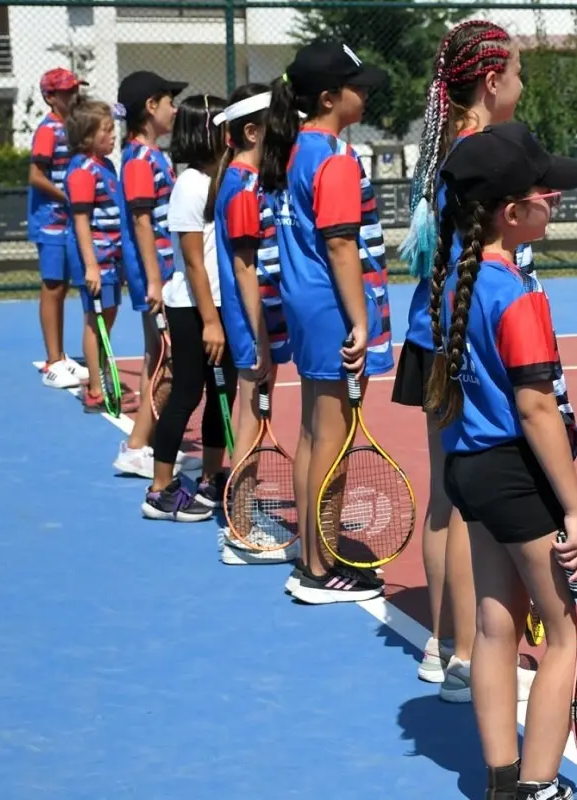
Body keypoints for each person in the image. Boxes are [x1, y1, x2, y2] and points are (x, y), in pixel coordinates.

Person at [427, 121, 577, 800]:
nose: (557, 198)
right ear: (512, 211)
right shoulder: (518, 295)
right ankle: (539, 784)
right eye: (546, 191)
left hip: (470, 469)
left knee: (494, 625)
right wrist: (575, 506)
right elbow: (536, 409)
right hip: (517, 477)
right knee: (564, 636)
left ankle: (500, 781)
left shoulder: (456, 285)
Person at [397, 19, 544, 703]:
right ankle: (465, 654)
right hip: (464, 339)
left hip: (433, 334)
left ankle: (443, 644)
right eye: (517, 68)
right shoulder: (479, 152)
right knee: (467, 501)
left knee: (445, 498)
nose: (523, 79)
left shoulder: (443, 145)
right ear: (492, 80)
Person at [259, 41, 394, 604]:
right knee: (331, 442)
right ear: (327, 97)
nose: (365, 93)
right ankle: (319, 567)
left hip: (304, 304)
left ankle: (316, 553)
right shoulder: (335, 158)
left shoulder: (293, 151)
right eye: (355, 85)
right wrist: (360, 323)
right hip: (330, 308)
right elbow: (341, 246)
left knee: (315, 434)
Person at [208, 82, 300, 565]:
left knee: (254, 416)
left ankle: (244, 517)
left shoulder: (247, 182)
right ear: (250, 131)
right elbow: (244, 269)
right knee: (249, 421)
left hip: (257, 326)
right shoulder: (242, 187)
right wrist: (261, 338)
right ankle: (241, 529)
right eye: (273, 126)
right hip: (252, 328)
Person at [142, 94, 236, 522]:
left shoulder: (225, 178)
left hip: (222, 306)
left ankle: (212, 478)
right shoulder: (190, 184)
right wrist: (211, 322)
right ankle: (159, 487)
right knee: (187, 393)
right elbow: (194, 261)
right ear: (209, 132)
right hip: (193, 309)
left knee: (223, 394)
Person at [114, 70, 196, 478]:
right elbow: (142, 223)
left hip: (162, 271)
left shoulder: (151, 155)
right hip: (158, 275)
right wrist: (153, 280)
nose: (175, 109)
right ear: (151, 107)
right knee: (163, 356)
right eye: (169, 101)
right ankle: (137, 446)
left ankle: (142, 442)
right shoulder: (140, 159)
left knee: (158, 356)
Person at [63, 99, 123, 413]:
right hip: (96, 258)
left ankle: (100, 374)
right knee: (94, 320)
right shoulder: (83, 171)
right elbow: (82, 220)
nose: (114, 135)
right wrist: (91, 265)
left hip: (112, 256)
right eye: (107, 130)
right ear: (87, 136)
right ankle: (96, 389)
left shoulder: (106, 165)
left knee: (107, 318)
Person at [30, 67, 88, 390]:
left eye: (75, 90)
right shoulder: (48, 129)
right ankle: (53, 361)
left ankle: (62, 356)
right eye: (67, 92)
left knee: (64, 287)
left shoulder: (73, 127)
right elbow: (36, 176)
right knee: (53, 287)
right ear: (50, 97)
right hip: (50, 222)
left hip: (68, 222)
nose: (73, 96)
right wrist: (68, 196)